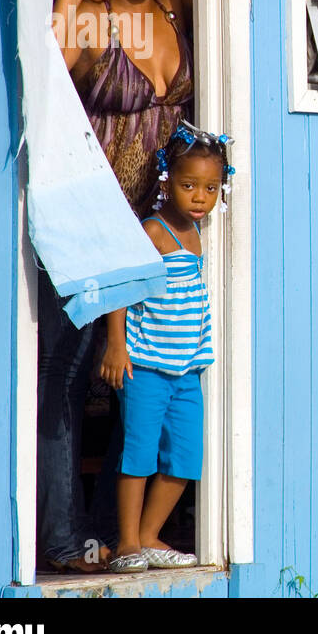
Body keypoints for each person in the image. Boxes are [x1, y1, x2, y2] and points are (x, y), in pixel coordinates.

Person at [38, 0, 194, 573]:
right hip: (92, 219)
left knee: (147, 377)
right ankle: (65, 542)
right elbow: (53, 59)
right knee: (71, 376)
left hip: (153, 230)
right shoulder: (99, 17)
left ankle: (119, 536)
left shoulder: (172, 8)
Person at [100, 123, 233, 572]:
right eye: (188, 185)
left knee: (185, 458)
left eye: (210, 187)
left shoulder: (199, 234)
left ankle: (152, 535)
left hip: (186, 369)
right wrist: (116, 344)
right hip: (145, 367)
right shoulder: (154, 232)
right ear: (166, 182)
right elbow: (121, 286)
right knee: (138, 453)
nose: (200, 196)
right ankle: (127, 543)